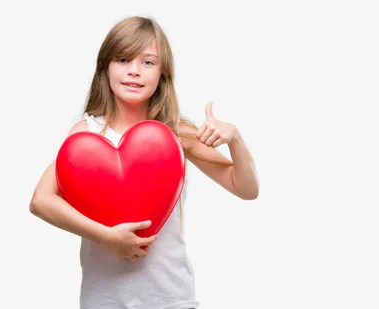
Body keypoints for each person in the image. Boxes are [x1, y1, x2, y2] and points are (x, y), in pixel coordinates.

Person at [29, 16, 259, 309]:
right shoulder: (86, 134)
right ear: (106, 67)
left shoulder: (177, 133)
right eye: (123, 59)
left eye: (148, 62)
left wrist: (236, 139)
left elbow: (247, 189)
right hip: (104, 300)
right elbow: (41, 200)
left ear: (163, 73)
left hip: (171, 298)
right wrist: (108, 238)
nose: (135, 71)